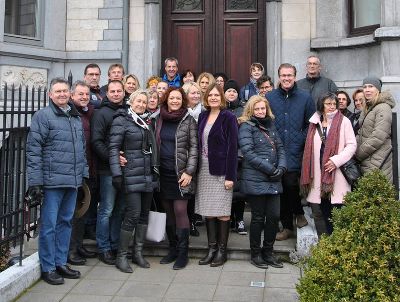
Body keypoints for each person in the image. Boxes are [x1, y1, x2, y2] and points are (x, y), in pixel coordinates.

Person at [26, 77, 88, 285]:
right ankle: (48, 267)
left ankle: (61, 261)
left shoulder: (74, 116)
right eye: (58, 91)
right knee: (49, 226)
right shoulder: (43, 117)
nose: (62, 94)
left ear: (70, 94)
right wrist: (35, 182)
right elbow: (34, 151)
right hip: (52, 182)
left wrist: (83, 175)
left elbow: (81, 148)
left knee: (65, 222)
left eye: (65, 91)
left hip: (72, 181)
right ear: (50, 95)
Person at [109, 89, 159, 273]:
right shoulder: (121, 120)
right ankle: (122, 257)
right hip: (131, 174)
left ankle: (138, 253)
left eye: (144, 102)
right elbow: (113, 148)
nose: (141, 104)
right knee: (132, 214)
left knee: (144, 215)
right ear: (130, 102)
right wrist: (116, 173)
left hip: (148, 174)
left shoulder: (148, 122)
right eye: (138, 101)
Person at [266, 63, 315, 241]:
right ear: (279, 77)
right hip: (276, 149)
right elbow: (266, 120)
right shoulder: (270, 97)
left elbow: (312, 123)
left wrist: (301, 139)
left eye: (290, 75)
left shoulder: (305, 97)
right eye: (283, 75)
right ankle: (288, 224)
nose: (286, 78)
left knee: (291, 183)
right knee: (281, 188)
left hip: (296, 149)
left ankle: (297, 214)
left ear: (295, 76)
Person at [238, 95, 287, 268]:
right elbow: (248, 153)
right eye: (257, 109)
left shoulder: (271, 125)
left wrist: (281, 168)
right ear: (251, 110)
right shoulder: (246, 126)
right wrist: (271, 169)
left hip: (274, 179)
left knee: (273, 217)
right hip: (256, 179)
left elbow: (280, 148)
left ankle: (269, 252)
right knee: (258, 218)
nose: (260, 111)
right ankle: (256, 254)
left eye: (263, 108)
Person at [152, 87, 198, 270]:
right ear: (166, 99)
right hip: (163, 172)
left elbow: (195, 148)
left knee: (180, 210)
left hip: (181, 174)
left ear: (183, 100)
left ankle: (183, 253)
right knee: (168, 211)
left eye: (178, 98)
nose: (175, 101)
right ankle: (172, 249)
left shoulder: (189, 120)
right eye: (172, 98)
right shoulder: (158, 118)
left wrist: (189, 172)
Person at [300, 93, 357, 234]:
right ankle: (328, 246)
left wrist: (335, 161)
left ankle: (338, 246)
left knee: (338, 213)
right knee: (325, 212)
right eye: (328, 104)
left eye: (334, 104)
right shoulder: (314, 122)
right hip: (319, 176)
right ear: (321, 105)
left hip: (337, 175)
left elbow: (351, 145)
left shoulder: (344, 122)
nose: (332, 107)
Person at [196, 83, 238, 267]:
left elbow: (233, 147)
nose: (213, 97)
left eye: (216, 95)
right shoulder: (203, 116)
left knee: (222, 213)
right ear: (206, 98)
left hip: (222, 171)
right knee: (208, 212)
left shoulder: (228, 117)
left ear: (222, 98)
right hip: (204, 170)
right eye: (210, 95)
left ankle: (222, 251)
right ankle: (211, 249)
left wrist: (231, 176)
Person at [91, 80, 126, 265]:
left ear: (123, 92)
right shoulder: (101, 113)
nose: (115, 93)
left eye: (118, 91)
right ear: (107, 93)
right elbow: (96, 142)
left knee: (120, 210)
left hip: (126, 170)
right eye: (112, 91)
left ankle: (114, 244)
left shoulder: (127, 111)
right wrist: (114, 159)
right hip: (107, 170)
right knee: (106, 209)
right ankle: (103, 248)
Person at [67, 81, 97, 266]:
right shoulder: (71, 114)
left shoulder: (87, 113)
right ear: (72, 96)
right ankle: (70, 251)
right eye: (80, 94)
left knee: (82, 211)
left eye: (86, 94)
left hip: (88, 168)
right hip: (74, 171)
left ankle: (78, 246)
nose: (84, 97)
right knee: (72, 214)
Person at [356, 76, 395, 182]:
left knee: (378, 196)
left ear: (378, 89)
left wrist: (358, 154)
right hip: (367, 161)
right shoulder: (368, 107)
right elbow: (361, 132)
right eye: (365, 87)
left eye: (371, 86)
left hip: (378, 161)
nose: (367, 90)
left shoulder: (383, 107)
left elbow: (378, 136)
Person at [223, 79, 247, 235]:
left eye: (234, 91)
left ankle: (239, 219)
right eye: (228, 91)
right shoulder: (219, 109)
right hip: (223, 156)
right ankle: (228, 218)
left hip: (239, 156)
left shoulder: (243, 110)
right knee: (226, 189)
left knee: (239, 191)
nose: (231, 93)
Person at [182, 81, 204, 236]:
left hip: (201, 156)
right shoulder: (181, 111)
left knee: (195, 191)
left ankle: (193, 220)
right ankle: (186, 223)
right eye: (192, 93)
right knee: (185, 192)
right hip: (183, 158)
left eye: (198, 93)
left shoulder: (205, 112)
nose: (196, 95)